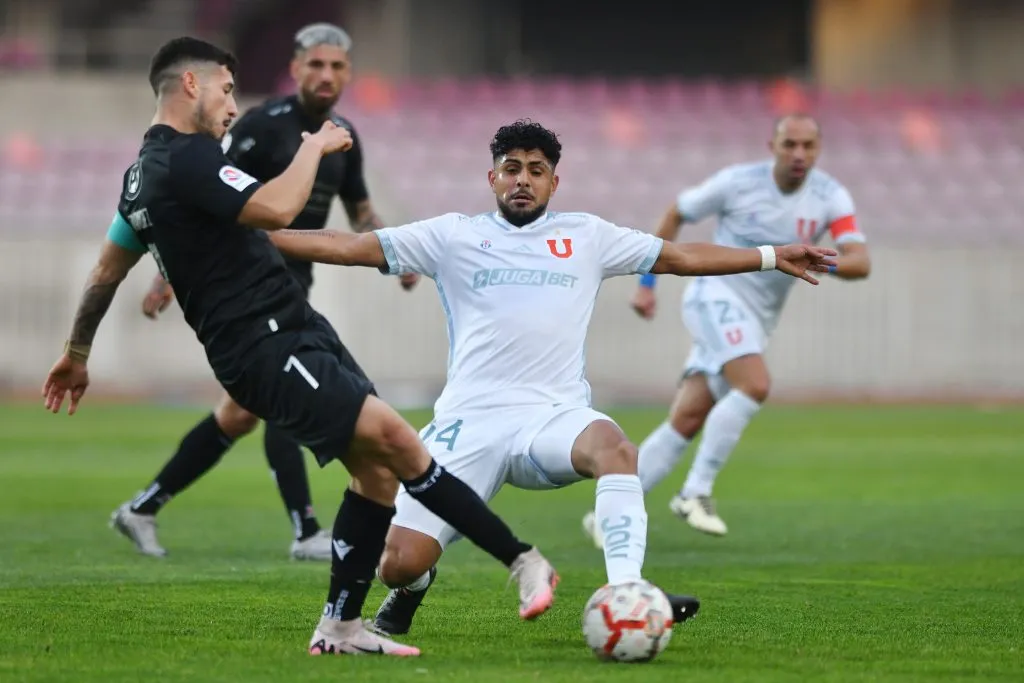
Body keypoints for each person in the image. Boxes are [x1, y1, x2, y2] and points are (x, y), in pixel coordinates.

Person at [42, 37, 558, 658]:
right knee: (397, 442)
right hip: (264, 343)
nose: (233, 104)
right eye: (227, 89)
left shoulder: (141, 177)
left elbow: (105, 271)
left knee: (375, 474)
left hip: (291, 326)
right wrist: (314, 145)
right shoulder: (189, 158)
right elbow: (278, 207)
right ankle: (522, 560)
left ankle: (340, 628)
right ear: (190, 86)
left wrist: (76, 351)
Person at [264, 119, 838, 636]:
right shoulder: (454, 235)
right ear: (491, 177)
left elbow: (679, 258)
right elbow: (352, 245)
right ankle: (414, 589)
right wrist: (253, 239)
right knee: (398, 562)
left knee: (616, 449)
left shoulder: (587, 235)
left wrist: (768, 255)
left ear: (553, 183)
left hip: (553, 418)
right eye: (512, 169)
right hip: (468, 425)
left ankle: (628, 589)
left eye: (537, 171)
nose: (523, 180)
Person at [115, 23, 418, 562]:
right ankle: (307, 532)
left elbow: (360, 207)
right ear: (295, 69)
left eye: (337, 66)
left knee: (240, 414)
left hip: (288, 285)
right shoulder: (260, 128)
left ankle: (143, 506)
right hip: (247, 287)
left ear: (348, 74)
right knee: (282, 403)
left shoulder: (345, 133)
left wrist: (398, 253)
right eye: (315, 65)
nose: (326, 75)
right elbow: (204, 200)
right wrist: (166, 277)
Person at [583, 113, 870, 544]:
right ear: (770, 145)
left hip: (757, 318)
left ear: (819, 149)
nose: (798, 154)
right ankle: (695, 493)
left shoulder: (830, 195)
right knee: (754, 384)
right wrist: (647, 285)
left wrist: (822, 261)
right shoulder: (736, 182)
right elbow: (677, 212)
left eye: (808, 146)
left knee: (688, 417)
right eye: (789, 144)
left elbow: (859, 261)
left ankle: (608, 515)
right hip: (714, 297)